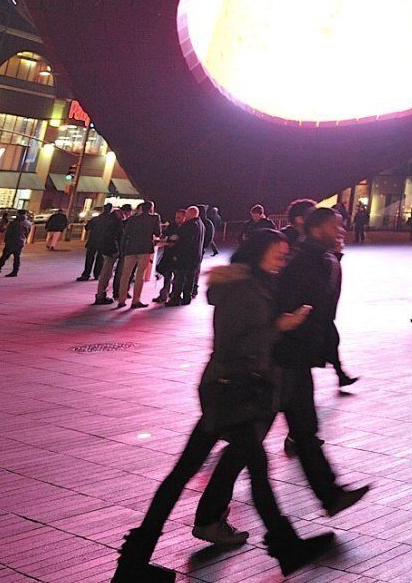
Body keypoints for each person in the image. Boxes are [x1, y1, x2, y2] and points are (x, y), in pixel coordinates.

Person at [112, 230, 337, 582]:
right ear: (259, 253)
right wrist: (281, 325)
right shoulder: (241, 289)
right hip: (231, 390)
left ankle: (134, 561)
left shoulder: (259, 283)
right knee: (254, 471)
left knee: (183, 474)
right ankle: (285, 546)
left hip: (230, 390)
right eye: (278, 255)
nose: (282, 261)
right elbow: (234, 342)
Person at [207, 206, 368, 527]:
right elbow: (279, 309)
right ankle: (211, 515)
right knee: (248, 444)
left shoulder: (320, 260)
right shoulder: (302, 263)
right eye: (335, 226)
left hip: (295, 361)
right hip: (279, 363)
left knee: (305, 432)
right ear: (318, 229)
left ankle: (330, 494)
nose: (341, 232)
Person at [115, 200, 162, 308]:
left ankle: (121, 300)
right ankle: (136, 300)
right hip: (145, 249)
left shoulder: (132, 218)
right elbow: (157, 233)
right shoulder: (154, 218)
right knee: (140, 275)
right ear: (151, 208)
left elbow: (125, 234)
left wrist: (123, 249)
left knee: (125, 275)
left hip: (131, 249)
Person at [169, 205, 208, 305]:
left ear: (190, 214)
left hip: (185, 256)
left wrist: (176, 253)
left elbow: (184, 242)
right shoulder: (201, 225)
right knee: (190, 278)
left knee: (180, 278)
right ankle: (187, 297)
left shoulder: (189, 225)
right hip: (196, 256)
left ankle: (175, 298)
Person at [79, 203, 116, 283]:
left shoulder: (96, 219)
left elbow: (87, 227)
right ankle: (97, 274)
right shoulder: (111, 220)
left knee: (89, 258)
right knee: (100, 259)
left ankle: (86, 274)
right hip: (104, 242)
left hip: (93, 241)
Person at [0, 209, 31, 277]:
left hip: (11, 242)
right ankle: (15, 271)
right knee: (17, 258)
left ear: (18, 214)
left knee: (4, 257)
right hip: (20, 242)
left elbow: (8, 233)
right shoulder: (28, 223)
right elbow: (28, 233)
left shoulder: (14, 223)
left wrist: (6, 240)